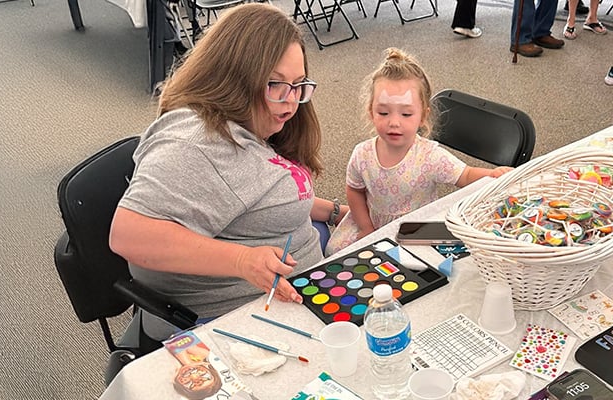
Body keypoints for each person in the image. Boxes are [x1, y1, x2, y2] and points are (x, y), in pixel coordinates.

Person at [109, 3, 348, 339]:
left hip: (298, 274)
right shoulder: (194, 144)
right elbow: (129, 234)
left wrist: (336, 211)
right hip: (238, 317)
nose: (291, 101)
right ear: (235, 77)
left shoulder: (253, 122)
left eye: (298, 85)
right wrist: (241, 261)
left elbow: (259, 197)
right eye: (276, 84)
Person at [324, 48, 512, 255]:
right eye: (383, 112)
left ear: (423, 116)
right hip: (372, 224)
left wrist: (493, 174)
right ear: (371, 112)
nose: (394, 122)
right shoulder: (362, 154)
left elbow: (465, 175)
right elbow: (354, 190)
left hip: (417, 231)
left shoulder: (429, 156)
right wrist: (366, 226)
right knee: (337, 255)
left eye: (406, 114)